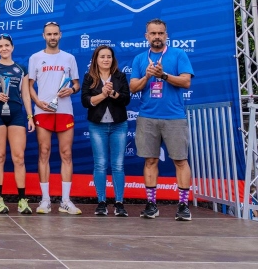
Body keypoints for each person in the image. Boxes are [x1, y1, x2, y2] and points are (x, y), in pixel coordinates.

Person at [129, 18, 194, 221]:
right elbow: (133, 88)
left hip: (174, 117)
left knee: (180, 161)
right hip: (148, 116)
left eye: (160, 33)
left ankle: (183, 205)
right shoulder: (140, 59)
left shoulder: (178, 54)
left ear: (166, 35)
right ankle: (151, 204)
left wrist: (164, 75)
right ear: (146, 36)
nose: (157, 37)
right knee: (150, 160)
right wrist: (148, 76)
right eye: (153, 33)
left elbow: (186, 81)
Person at [28, 21, 81, 215]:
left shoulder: (69, 58)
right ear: (44, 36)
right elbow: (29, 86)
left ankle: (66, 201)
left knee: (66, 154)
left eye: (55, 34)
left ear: (60, 35)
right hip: (43, 111)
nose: (52, 37)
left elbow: (77, 84)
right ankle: (45, 200)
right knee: (44, 152)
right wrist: (37, 102)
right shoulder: (35, 58)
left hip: (65, 111)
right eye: (49, 34)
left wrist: (72, 89)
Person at [0, 33, 35, 215]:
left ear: (12, 47)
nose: (4, 48)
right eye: (0, 46)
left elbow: (26, 95)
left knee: (18, 157)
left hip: (16, 114)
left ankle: (22, 199)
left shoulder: (21, 69)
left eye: (6, 45)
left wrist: (30, 117)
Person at [81, 45, 131, 217]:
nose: (105, 59)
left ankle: (119, 203)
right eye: (102, 56)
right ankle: (101, 202)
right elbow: (85, 101)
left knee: (118, 165)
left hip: (119, 125)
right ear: (96, 59)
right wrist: (103, 94)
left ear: (113, 59)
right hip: (97, 126)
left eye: (108, 56)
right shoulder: (89, 77)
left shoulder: (120, 76)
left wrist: (114, 94)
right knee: (100, 164)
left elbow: (126, 99)